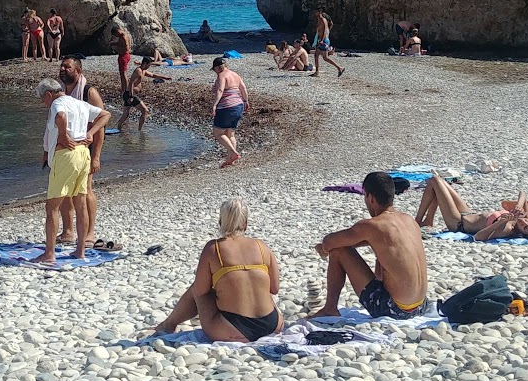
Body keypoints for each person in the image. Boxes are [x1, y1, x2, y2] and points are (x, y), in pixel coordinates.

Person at [149, 199, 284, 341]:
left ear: (221, 222)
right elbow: (274, 289)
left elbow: (201, 291)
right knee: (258, 284)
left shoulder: (214, 248)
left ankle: (169, 324)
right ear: (245, 224)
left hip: (233, 329)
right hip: (272, 325)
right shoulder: (262, 246)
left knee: (197, 288)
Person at [313, 172, 430, 319]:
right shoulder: (409, 220)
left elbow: (329, 242)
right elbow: (369, 241)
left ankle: (330, 308)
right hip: (421, 306)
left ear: (371, 198)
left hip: (395, 310)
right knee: (382, 256)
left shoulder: (373, 226)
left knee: (338, 250)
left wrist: (324, 249)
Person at [33, 78, 111, 263]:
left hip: (66, 155)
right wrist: (91, 133)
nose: (43, 103)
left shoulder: (57, 103)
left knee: (52, 206)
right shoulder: (79, 103)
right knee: (80, 202)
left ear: (48, 94)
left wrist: (62, 134)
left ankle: (49, 253)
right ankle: (80, 250)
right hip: (83, 153)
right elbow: (105, 115)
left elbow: (60, 116)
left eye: (42, 99)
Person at [413, 177, 528, 243]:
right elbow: (523, 193)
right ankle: (428, 221)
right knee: (441, 183)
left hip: (459, 223)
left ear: (521, 233)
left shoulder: (507, 229)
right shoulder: (521, 216)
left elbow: (478, 237)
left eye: (525, 227)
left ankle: (418, 221)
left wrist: (499, 222)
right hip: (468, 212)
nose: (524, 223)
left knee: (435, 181)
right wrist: (519, 205)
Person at [59, 56, 107, 244]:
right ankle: (68, 231)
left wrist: (96, 156)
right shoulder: (62, 92)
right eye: (61, 66)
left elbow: (101, 124)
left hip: (86, 147)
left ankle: (89, 233)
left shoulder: (89, 92)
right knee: (65, 190)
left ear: (78, 71)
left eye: (67, 67)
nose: (63, 69)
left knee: (85, 189)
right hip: (68, 147)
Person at [211, 57, 249, 167]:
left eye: (214, 69)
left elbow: (220, 90)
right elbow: (243, 88)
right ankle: (230, 158)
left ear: (218, 67)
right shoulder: (235, 74)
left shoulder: (222, 75)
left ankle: (233, 152)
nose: (215, 72)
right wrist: (245, 100)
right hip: (238, 105)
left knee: (218, 133)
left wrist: (214, 104)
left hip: (226, 107)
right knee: (230, 133)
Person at [119, 56, 155, 133]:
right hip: (130, 95)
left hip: (128, 94)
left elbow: (153, 75)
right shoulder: (138, 71)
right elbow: (131, 83)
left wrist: (165, 77)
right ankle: (140, 131)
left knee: (125, 114)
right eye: (149, 65)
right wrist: (131, 97)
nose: (149, 67)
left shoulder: (143, 71)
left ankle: (118, 128)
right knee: (145, 110)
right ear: (145, 63)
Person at [311, 10, 344, 78]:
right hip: (321, 40)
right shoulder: (319, 20)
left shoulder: (323, 20)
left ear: (319, 12)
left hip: (324, 41)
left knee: (325, 58)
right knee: (316, 55)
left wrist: (322, 40)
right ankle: (317, 72)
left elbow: (325, 30)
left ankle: (339, 68)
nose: (314, 13)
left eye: (316, 12)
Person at [113, 25, 134, 93]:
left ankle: (126, 89)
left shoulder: (123, 36)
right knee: (121, 73)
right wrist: (114, 44)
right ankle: (123, 88)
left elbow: (126, 48)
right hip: (122, 55)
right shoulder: (122, 36)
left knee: (124, 73)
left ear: (117, 32)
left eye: (115, 34)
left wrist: (118, 48)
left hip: (124, 56)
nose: (116, 36)